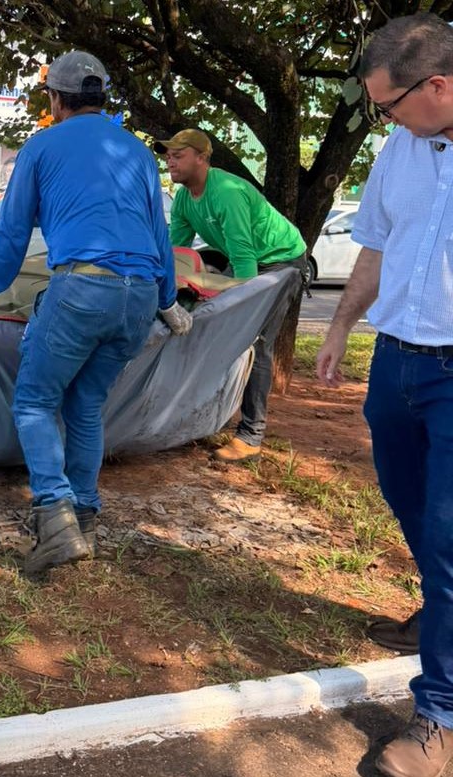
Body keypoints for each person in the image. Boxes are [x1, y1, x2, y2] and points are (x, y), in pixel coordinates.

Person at [0, 51, 192, 574]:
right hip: (140, 297)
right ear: (102, 98)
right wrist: (169, 302)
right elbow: (157, 235)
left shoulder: (41, 147)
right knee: (85, 406)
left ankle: (53, 519)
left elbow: (12, 234)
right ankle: (85, 520)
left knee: (35, 403)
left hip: (84, 288)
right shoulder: (137, 153)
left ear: (55, 100)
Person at [315, 14, 453, 777]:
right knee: (409, 506)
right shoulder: (398, 151)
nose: (384, 120)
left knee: (447, 534)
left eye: (390, 104)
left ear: (438, 85)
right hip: (396, 364)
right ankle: (442, 607)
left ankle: (439, 718)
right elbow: (374, 245)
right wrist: (339, 328)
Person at [154, 129, 308, 464]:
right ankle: (207, 416)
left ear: (202, 158)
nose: (170, 161)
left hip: (280, 262)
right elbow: (174, 253)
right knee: (213, 328)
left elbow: (244, 264)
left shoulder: (226, 192)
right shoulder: (182, 199)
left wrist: (238, 308)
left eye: (178, 155)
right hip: (252, 261)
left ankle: (251, 437)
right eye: (168, 155)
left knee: (255, 341)